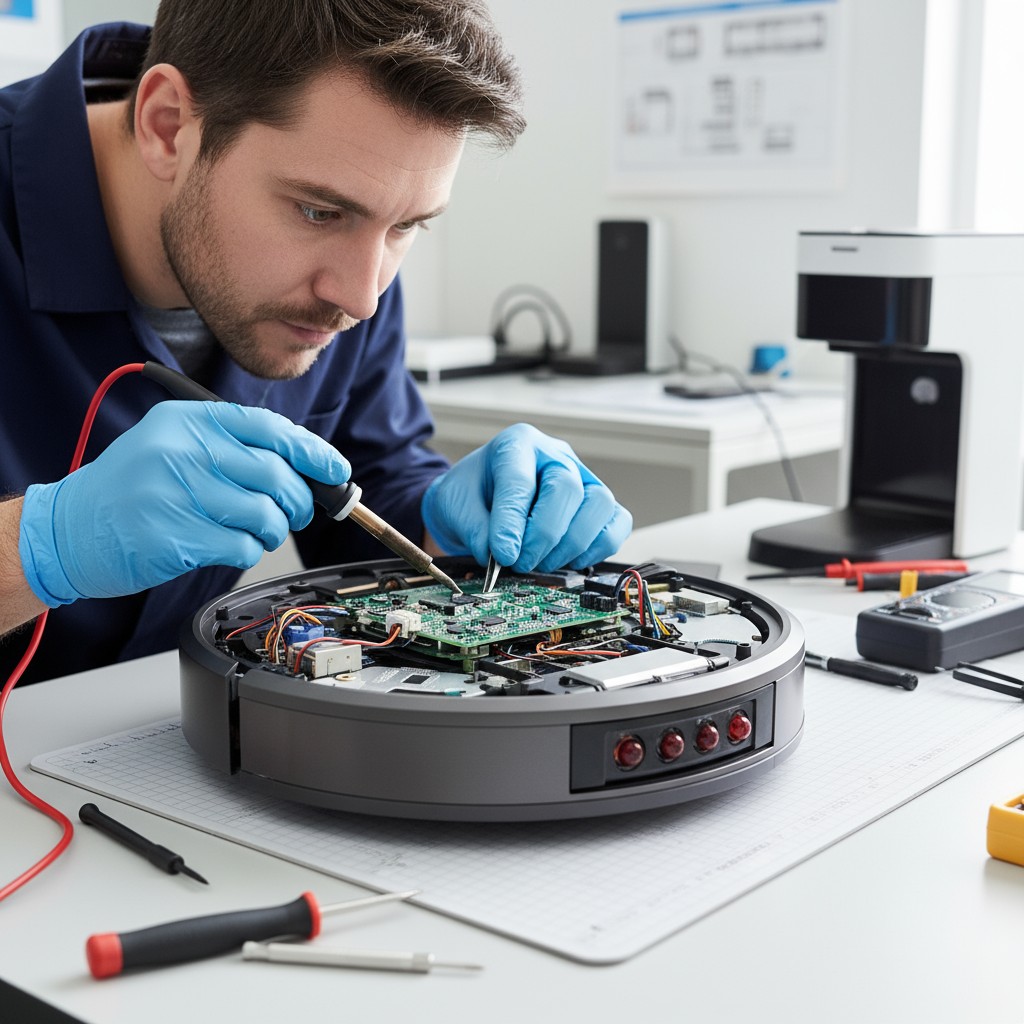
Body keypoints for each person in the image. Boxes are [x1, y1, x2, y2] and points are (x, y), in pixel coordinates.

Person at [0, 0, 632, 685]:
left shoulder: (350, 266)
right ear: (168, 126)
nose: (362, 299)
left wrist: (453, 525)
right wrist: (42, 545)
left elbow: (369, 485)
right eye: (318, 211)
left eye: (407, 226)